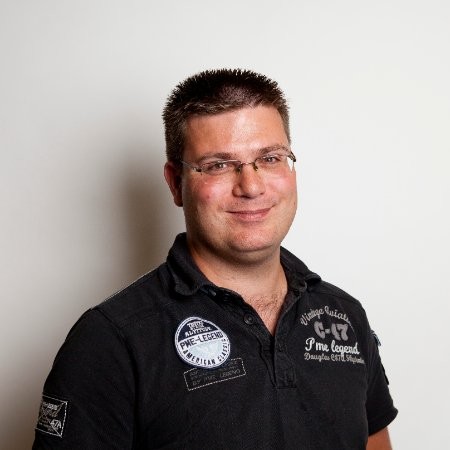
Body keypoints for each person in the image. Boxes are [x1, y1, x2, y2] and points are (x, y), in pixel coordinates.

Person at [33, 69, 397, 449]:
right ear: (176, 183)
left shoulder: (344, 317)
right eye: (218, 165)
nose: (251, 186)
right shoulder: (110, 341)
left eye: (270, 158)